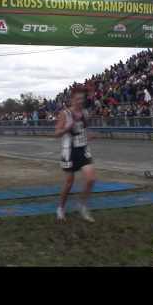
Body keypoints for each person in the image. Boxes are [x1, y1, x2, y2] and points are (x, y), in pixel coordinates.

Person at [55, 88, 96, 223]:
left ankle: (82, 206)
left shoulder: (85, 113)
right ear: (72, 100)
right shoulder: (65, 114)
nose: (80, 101)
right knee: (69, 183)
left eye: (82, 99)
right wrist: (67, 127)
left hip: (83, 148)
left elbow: (85, 128)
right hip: (69, 151)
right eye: (77, 99)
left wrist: (89, 135)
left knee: (91, 179)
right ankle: (60, 208)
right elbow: (56, 133)